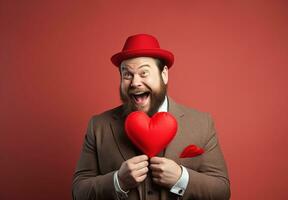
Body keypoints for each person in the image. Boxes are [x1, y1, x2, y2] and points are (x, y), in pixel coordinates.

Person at [72, 34, 230, 200]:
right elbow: (79, 192)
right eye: (127, 74)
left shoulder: (201, 124)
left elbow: (222, 191)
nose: (135, 82)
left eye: (144, 73)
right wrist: (118, 181)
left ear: (164, 74)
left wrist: (181, 178)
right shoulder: (98, 126)